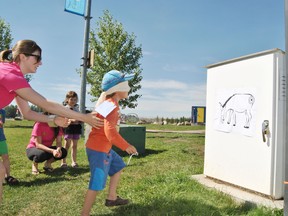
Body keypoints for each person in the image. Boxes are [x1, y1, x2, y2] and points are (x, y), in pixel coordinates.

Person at [0, 39, 103, 203]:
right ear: (23, 57)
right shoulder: (10, 74)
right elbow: (45, 103)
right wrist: (85, 117)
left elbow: (27, 113)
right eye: (37, 58)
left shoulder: (15, 76)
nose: (40, 63)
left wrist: (52, 119)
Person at [81, 70, 138, 216]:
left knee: (118, 165)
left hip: (101, 148)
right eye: (126, 84)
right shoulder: (112, 107)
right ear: (117, 88)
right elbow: (110, 133)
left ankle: (112, 198)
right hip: (99, 150)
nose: (129, 87)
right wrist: (127, 146)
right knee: (96, 184)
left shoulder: (109, 103)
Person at [61, 91, 82, 168]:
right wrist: (72, 120)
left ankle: (74, 162)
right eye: (71, 99)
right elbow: (64, 118)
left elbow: (79, 118)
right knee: (67, 145)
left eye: (75, 99)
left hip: (76, 128)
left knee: (75, 146)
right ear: (67, 99)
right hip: (68, 128)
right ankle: (63, 162)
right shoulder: (65, 109)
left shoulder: (77, 109)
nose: (73, 101)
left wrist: (80, 120)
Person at [0, 109, 19, 185]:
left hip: (1, 138)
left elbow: (1, 123)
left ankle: (8, 176)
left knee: (5, 156)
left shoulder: (2, 111)